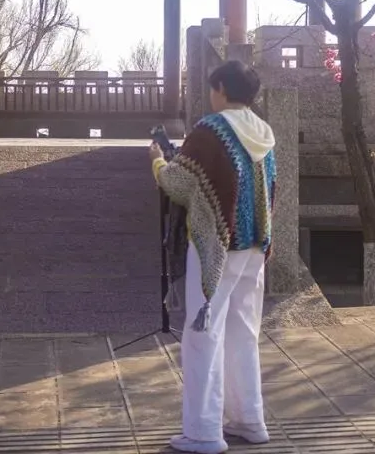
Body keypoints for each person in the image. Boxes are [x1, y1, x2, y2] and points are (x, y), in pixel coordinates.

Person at [148, 60, 276, 454]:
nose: (210, 94)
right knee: (243, 332)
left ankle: (204, 432)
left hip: (216, 246)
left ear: (221, 88)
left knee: (203, 334)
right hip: (254, 244)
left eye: (212, 88)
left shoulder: (212, 129)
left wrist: (157, 161)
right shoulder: (263, 132)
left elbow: (179, 183)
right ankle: (249, 419)